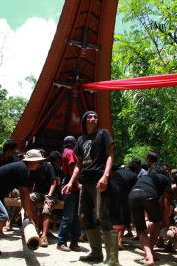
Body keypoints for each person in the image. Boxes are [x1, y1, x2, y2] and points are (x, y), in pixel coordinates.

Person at [61, 111, 117, 265]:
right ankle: (96, 254)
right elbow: (78, 165)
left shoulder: (103, 134)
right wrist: (71, 182)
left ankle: (112, 259)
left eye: (96, 117)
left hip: (99, 179)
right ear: (85, 121)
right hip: (85, 181)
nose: (93, 119)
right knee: (84, 217)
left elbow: (110, 155)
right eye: (90, 117)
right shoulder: (80, 140)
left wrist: (105, 176)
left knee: (103, 216)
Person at [0, 149, 44, 260]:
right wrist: (30, 215)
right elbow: (25, 194)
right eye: (38, 161)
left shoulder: (22, 168)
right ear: (32, 161)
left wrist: (28, 213)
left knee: (2, 216)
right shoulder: (22, 168)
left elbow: (22, 193)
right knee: (2, 217)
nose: (40, 164)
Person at [128, 164, 172, 266]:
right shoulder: (166, 180)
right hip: (149, 195)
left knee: (141, 230)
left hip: (132, 195)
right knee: (157, 223)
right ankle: (150, 253)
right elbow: (166, 204)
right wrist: (167, 224)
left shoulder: (144, 177)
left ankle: (148, 256)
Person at [28, 148, 58, 247]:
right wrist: (27, 194)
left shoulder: (48, 167)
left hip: (49, 192)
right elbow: (31, 183)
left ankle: (44, 236)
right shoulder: (33, 167)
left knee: (47, 207)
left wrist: (49, 197)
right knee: (28, 200)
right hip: (38, 192)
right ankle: (38, 224)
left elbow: (53, 183)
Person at [57, 136, 82, 252]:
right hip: (71, 188)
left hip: (72, 188)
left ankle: (74, 241)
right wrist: (76, 184)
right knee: (69, 216)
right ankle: (61, 242)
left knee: (74, 216)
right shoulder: (70, 153)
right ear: (74, 144)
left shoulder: (65, 152)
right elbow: (72, 169)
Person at [109, 164, 137, 250]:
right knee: (122, 216)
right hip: (124, 194)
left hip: (111, 191)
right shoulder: (134, 176)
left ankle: (112, 240)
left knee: (114, 214)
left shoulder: (117, 172)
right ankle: (119, 240)